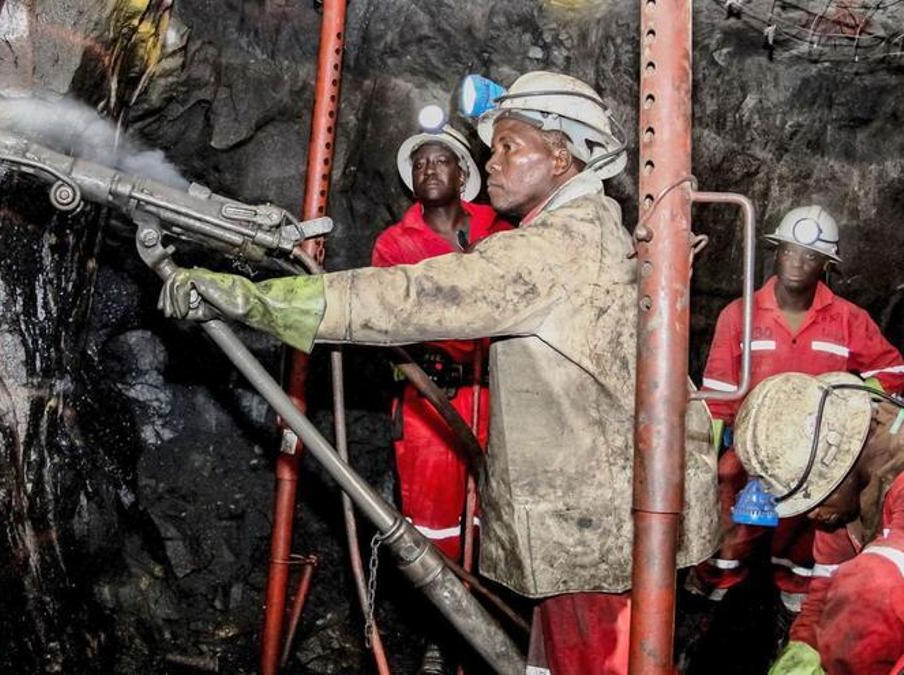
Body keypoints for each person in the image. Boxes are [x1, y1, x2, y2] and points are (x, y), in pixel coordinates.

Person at [158, 70, 717, 674]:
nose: (492, 161)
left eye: (509, 146)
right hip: (596, 524)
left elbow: (412, 296)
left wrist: (257, 300)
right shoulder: (593, 233)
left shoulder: (557, 248)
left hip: (592, 533)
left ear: (560, 156)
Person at [691, 206, 904, 612]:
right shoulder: (740, 315)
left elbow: (893, 371)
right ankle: (713, 598)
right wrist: (709, 461)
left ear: (826, 265)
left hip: (817, 459)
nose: (797, 262)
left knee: (804, 537)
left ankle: (795, 602)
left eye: (809, 256)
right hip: (750, 454)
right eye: (789, 251)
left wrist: (851, 400)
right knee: (730, 527)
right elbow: (717, 396)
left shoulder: (847, 320)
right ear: (775, 252)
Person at [374, 117, 511, 560]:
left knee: (496, 516)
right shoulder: (394, 244)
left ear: (463, 174)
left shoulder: (499, 232)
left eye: (441, 161)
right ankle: (441, 616)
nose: (429, 169)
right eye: (420, 164)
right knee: (434, 526)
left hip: (497, 399)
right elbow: (398, 321)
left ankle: (491, 608)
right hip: (428, 401)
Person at [726, 371, 904, 674]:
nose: (812, 514)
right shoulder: (842, 498)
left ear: (842, 462)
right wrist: (804, 646)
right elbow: (826, 586)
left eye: (815, 498)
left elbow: (879, 584)